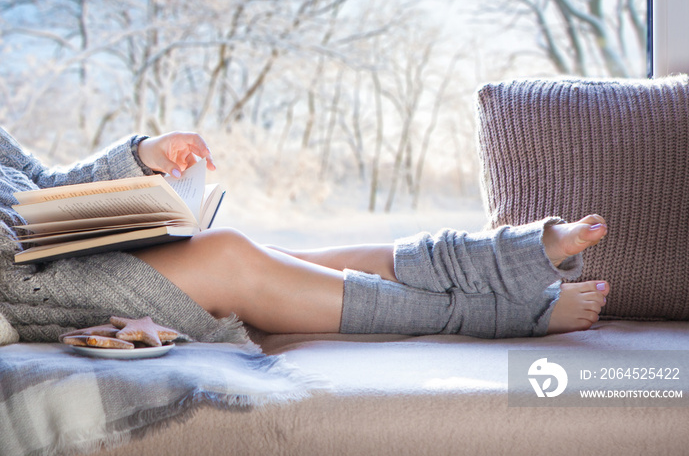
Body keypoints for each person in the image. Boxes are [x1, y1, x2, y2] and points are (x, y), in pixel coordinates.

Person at [0, 128, 609, 344]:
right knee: (233, 258)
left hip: (79, 245)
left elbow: (48, 182)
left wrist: (141, 155)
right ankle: (501, 310)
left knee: (287, 258)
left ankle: (498, 260)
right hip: (40, 287)